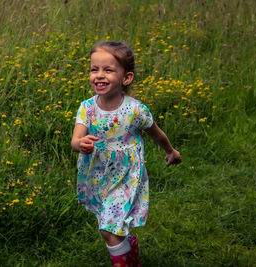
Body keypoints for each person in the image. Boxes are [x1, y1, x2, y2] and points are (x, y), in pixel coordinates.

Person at [71, 41, 181, 267]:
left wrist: (170, 151)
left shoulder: (135, 110)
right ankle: (130, 250)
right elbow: (75, 139)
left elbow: (156, 133)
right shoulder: (87, 108)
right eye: (94, 69)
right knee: (111, 225)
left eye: (108, 70)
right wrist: (80, 143)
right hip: (97, 176)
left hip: (127, 175)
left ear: (126, 78)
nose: (99, 75)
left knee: (108, 229)